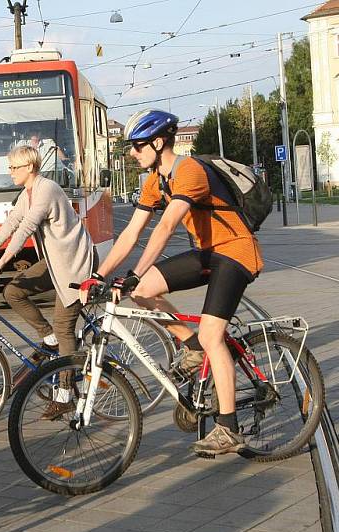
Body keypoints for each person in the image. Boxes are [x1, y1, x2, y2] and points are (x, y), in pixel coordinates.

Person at [79, 109, 263, 455]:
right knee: (144, 290)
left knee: (213, 335)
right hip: (208, 252)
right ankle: (191, 346)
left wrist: (132, 272)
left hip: (236, 252)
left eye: (137, 146)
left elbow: (165, 228)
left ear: (158, 142)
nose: (132, 153)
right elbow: (131, 232)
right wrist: (99, 275)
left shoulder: (190, 171)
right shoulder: (155, 181)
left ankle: (229, 427)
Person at [0, 145, 96, 419]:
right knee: (13, 291)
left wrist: (1, 263)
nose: (9, 171)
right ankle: (49, 339)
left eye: (14, 167)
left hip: (75, 264)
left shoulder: (45, 189)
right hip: (55, 263)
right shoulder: (26, 194)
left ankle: (63, 397)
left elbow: (25, 229)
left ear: (29, 167)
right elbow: (9, 226)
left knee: (64, 328)